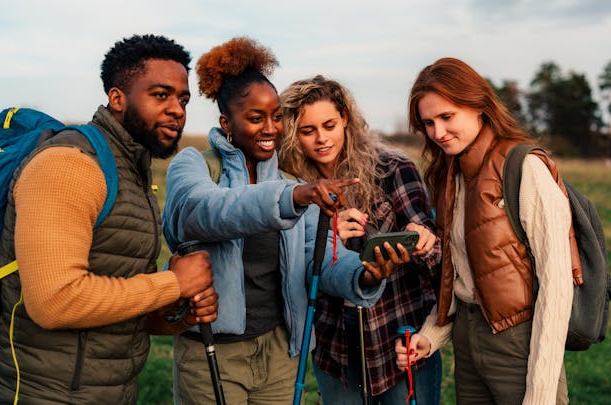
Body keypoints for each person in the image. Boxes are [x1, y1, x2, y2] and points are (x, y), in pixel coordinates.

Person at [162, 37, 403, 405]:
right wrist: (293, 197)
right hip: (214, 352)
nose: (271, 129)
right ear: (227, 122)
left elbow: (316, 258)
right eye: (256, 118)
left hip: (279, 354)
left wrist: (365, 273)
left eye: (276, 117)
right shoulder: (195, 165)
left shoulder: (289, 184)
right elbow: (201, 213)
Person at [0, 34, 218, 404]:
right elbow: (55, 301)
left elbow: (121, 311)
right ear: (117, 98)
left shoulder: (131, 171)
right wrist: (172, 283)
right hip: (40, 394)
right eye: (161, 95)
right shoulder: (70, 165)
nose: (177, 109)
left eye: (183, 99)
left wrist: (177, 311)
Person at [395, 57, 582, 404]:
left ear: (479, 105)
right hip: (467, 342)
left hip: (521, 343)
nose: (438, 132)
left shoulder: (525, 169)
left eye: (447, 117)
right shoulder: (450, 174)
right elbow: (462, 275)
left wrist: (540, 393)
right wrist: (430, 336)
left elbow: (557, 288)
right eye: (429, 123)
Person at [279, 75, 442, 404]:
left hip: (398, 341)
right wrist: (323, 231)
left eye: (329, 125)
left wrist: (422, 240)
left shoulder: (393, 168)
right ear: (293, 135)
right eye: (308, 131)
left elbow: (437, 252)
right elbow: (289, 267)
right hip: (335, 348)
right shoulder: (291, 189)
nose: (321, 139)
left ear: (345, 119)